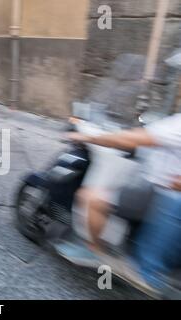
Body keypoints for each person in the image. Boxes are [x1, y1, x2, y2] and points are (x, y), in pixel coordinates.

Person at [56, 113, 181, 293]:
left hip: (160, 193)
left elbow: (131, 139)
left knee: (91, 198)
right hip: (157, 189)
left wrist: (87, 138)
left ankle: (96, 252)